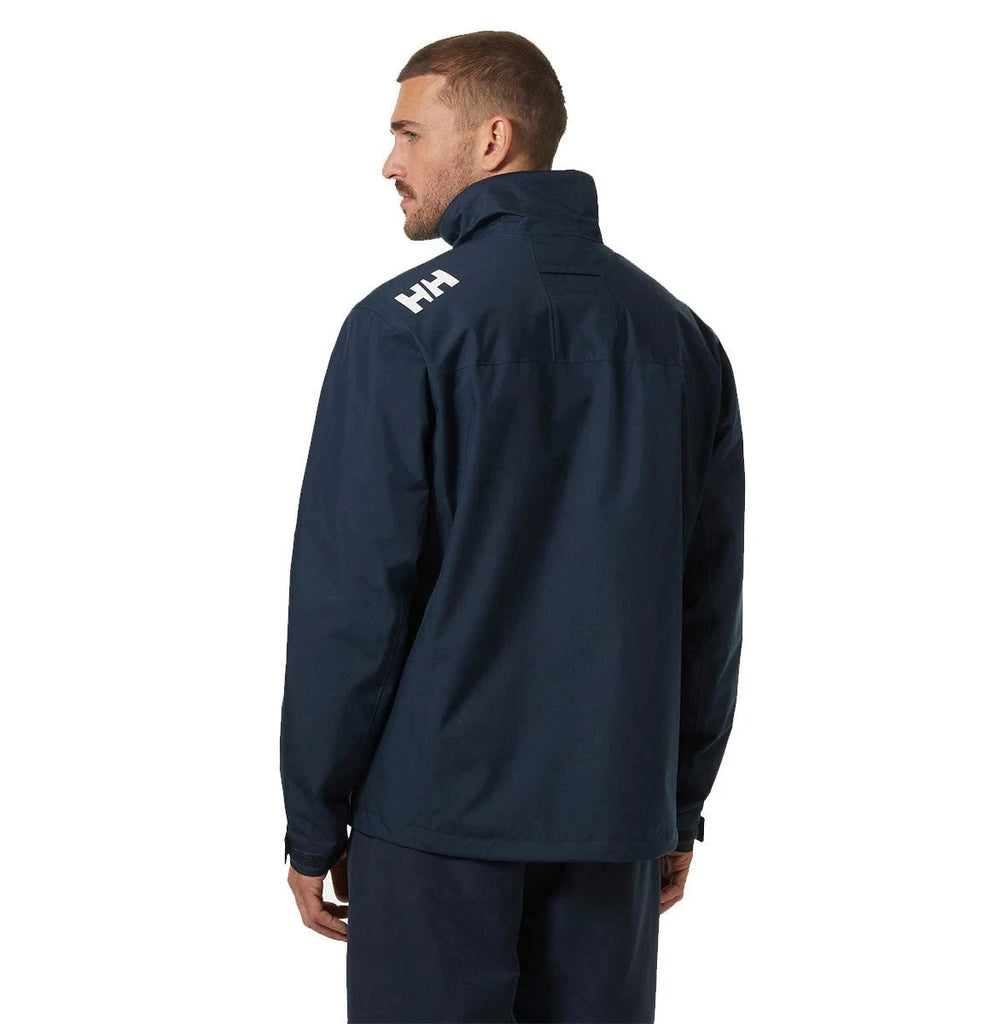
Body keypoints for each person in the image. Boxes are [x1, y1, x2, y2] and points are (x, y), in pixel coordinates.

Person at [279, 29, 744, 1024]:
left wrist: (314, 819)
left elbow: (350, 602)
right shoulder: (678, 334)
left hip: (437, 825)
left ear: (492, 141)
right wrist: (677, 803)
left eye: (409, 132)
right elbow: (707, 605)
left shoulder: (403, 326)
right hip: (614, 816)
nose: (389, 162)